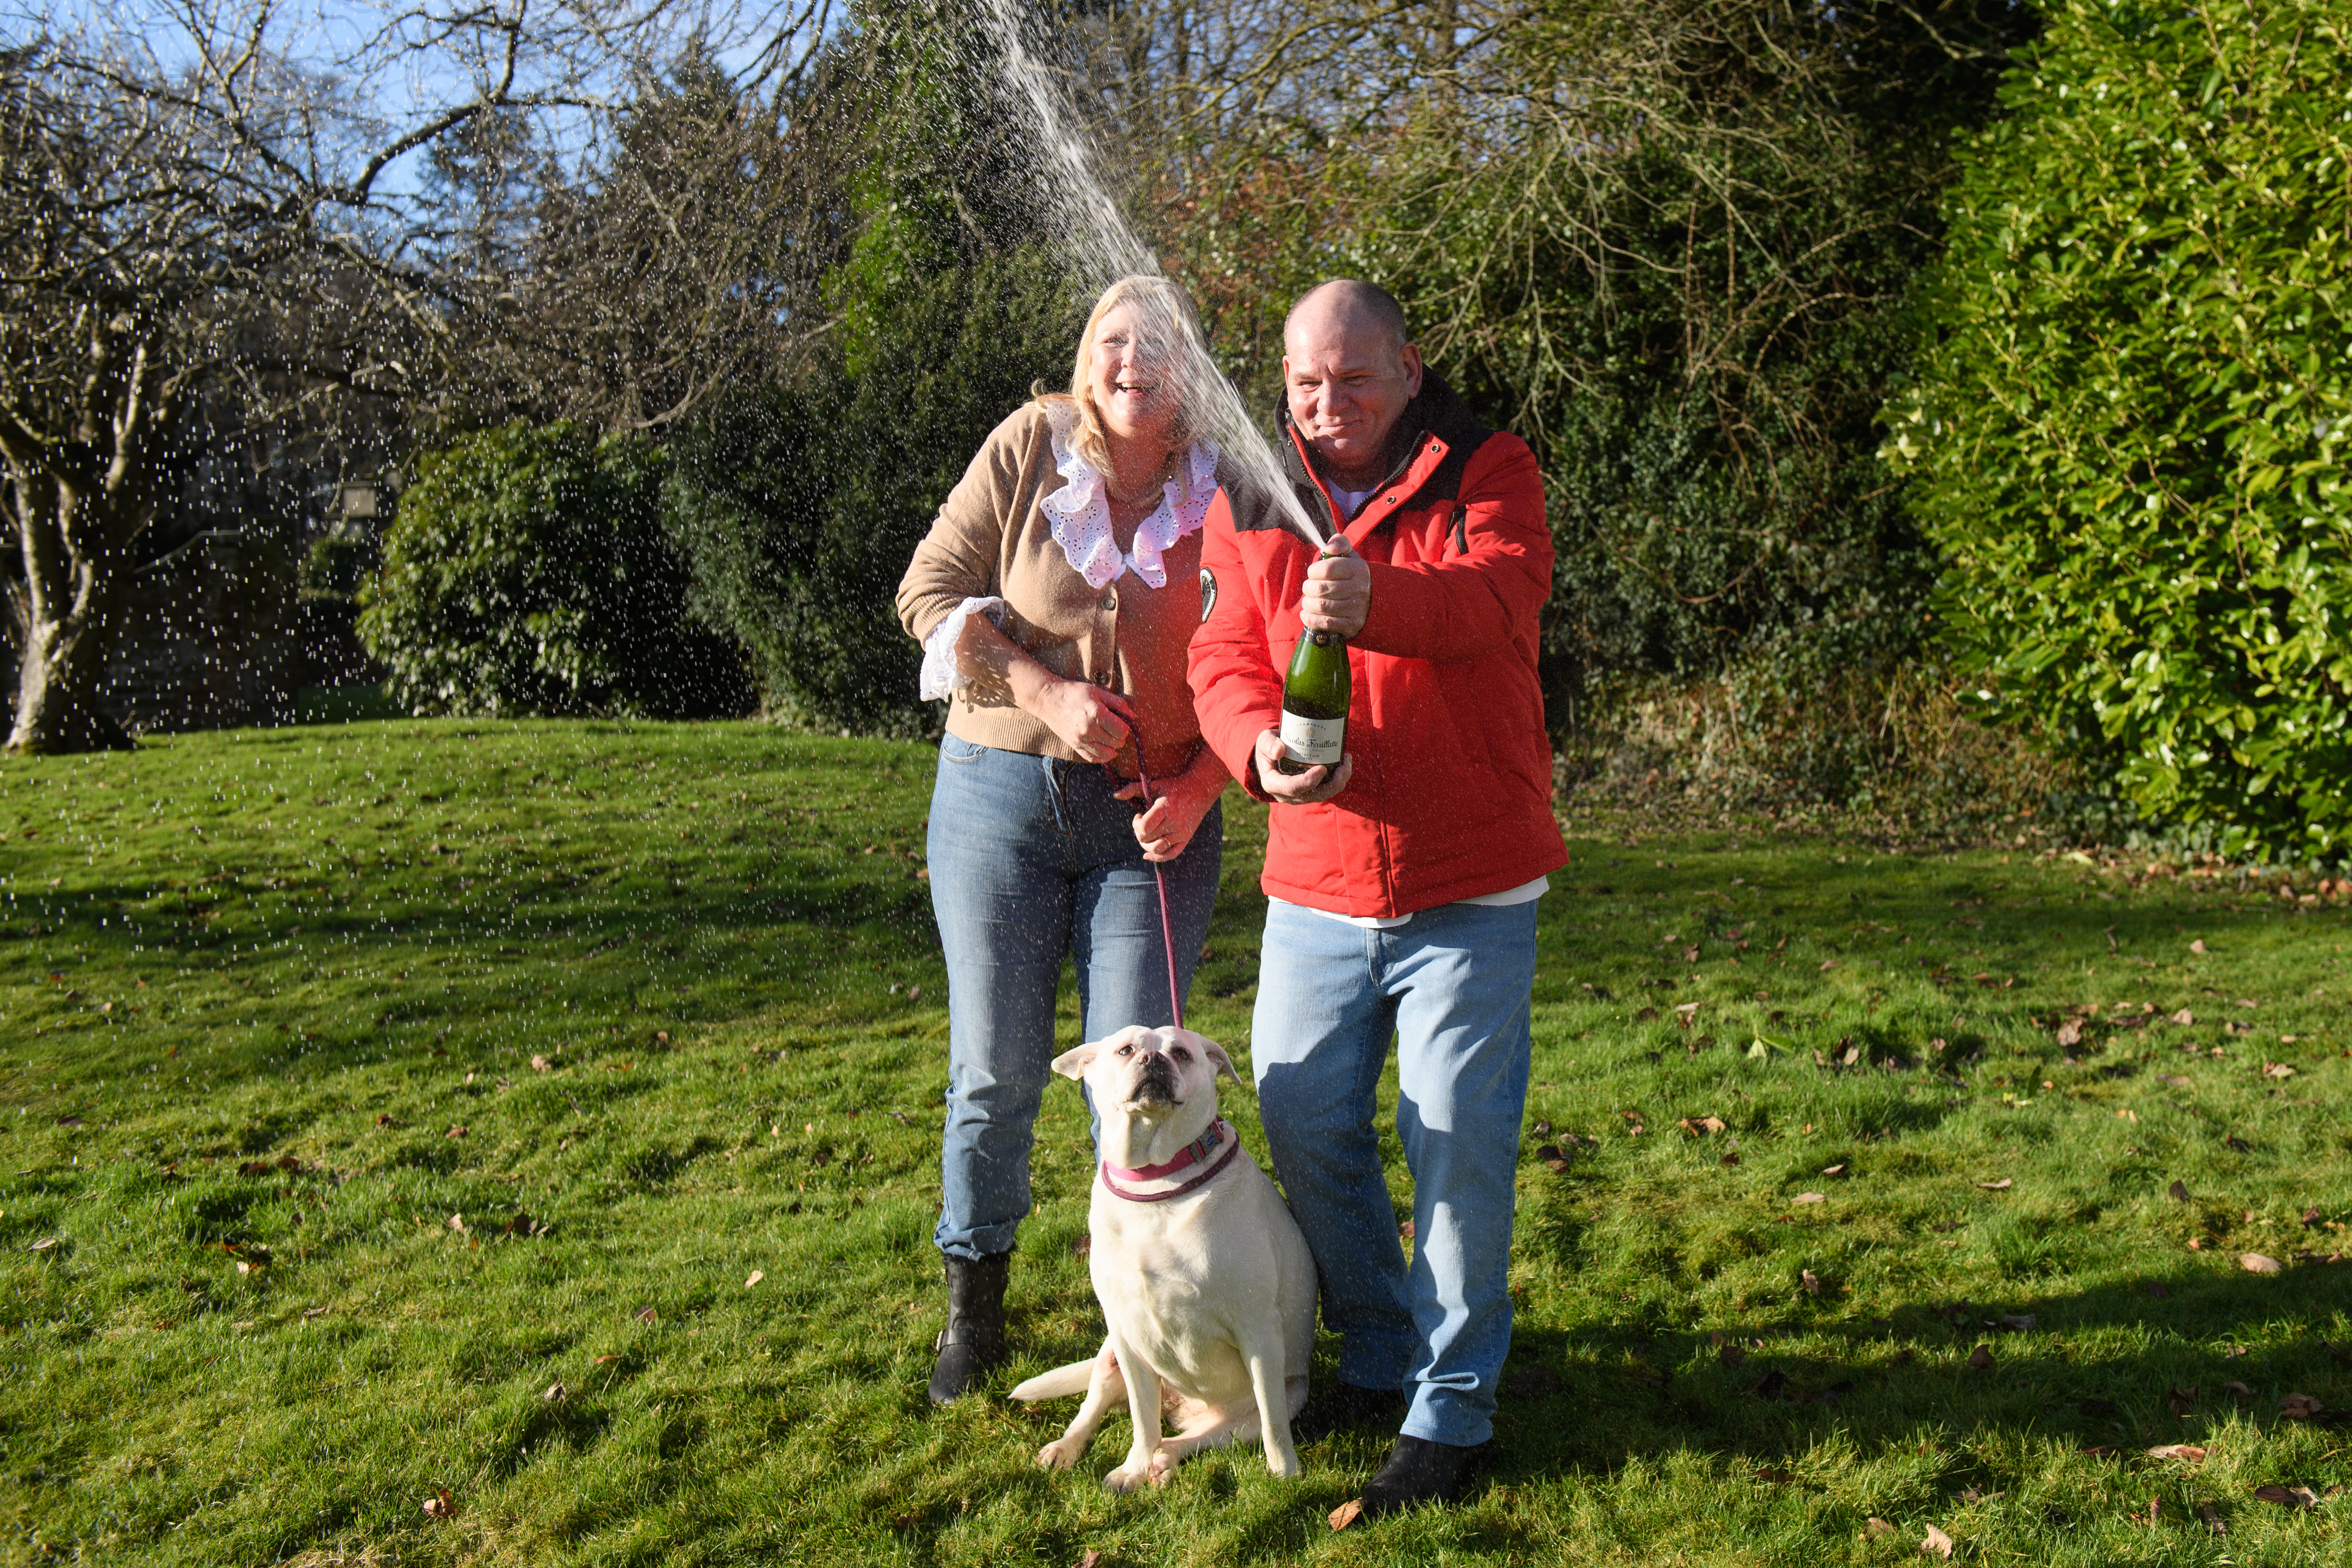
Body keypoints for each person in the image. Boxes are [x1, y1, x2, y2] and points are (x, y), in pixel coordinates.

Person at [1188, 279, 1566, 1514]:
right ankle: (1386, 1344)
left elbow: (1501, 598)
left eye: (1354, 378)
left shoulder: (1490, 466)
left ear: (1408, 366)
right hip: (1318, 876)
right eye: (1305, 382)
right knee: (1303, 1120)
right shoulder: (1249, 491)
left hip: (1470, 878)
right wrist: (1257, 752)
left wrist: (1375, 602)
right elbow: (1221, 657)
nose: (1326, 404)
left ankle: (1452, 1418)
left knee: (1454, 1142)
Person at [897, 275, 1233, 1405]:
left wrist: (1200, 783)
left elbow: (1279, 659)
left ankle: (1148, 1321)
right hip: (998, 797)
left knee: (1143, 1078)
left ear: (1192, 370)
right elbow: (928, 589)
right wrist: (1043, 690)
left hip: (1157, 823)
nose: (1131, 361)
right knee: (994, 1071)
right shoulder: (1030, 444)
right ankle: (972, 1306)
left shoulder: (1227, 483)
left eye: (1157, 345)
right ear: (1085, 358)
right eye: (1110, 340)